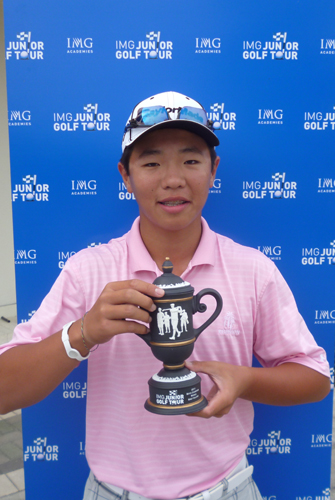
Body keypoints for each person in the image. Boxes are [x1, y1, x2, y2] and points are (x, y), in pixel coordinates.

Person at [0, 91, 330, 500]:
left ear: (214, 170)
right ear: (126, 174)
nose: (173, 178)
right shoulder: (89, 271)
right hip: (112, 491)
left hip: (229, 489)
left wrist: (245, 379)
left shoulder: (254, 270)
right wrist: (83, 333)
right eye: (152, 162)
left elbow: (316, 379)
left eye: (191, 160)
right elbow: (4, 391)